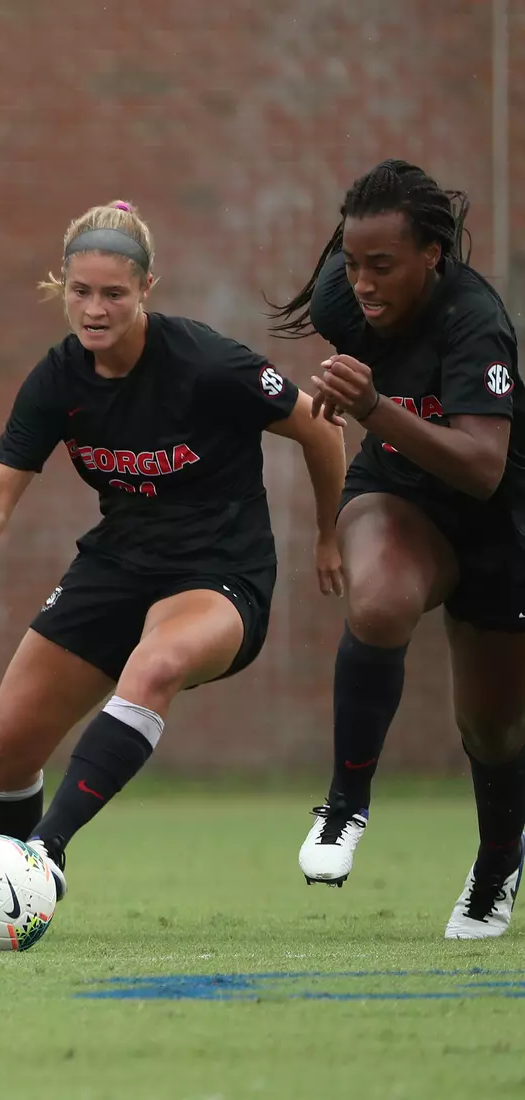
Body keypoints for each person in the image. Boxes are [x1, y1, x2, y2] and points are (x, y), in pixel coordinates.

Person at [0, 200, 347, 937]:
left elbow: (320, 430)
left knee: (153, 666)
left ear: (148, 287)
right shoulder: (59, 379)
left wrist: (330, 535)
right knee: (6, 746)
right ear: (62, 286)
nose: (94, 309)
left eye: (113, 293)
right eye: (80, 292)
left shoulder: (209, 365)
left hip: (220, 572)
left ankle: (42, 860)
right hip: (118, 564)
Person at [270, 159, 525, 939]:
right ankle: (345, 807)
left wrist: (373, 406)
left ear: (432, 258)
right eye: (352, 263)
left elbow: (483, 470)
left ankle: (496, 865)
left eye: (382, 265)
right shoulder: (345, 296)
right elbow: (347, 378)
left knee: (493, 731)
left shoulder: (475, 320)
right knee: (378, 599)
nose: (362, 283)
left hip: (496, 523)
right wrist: (354, 407)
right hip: (398, 493)